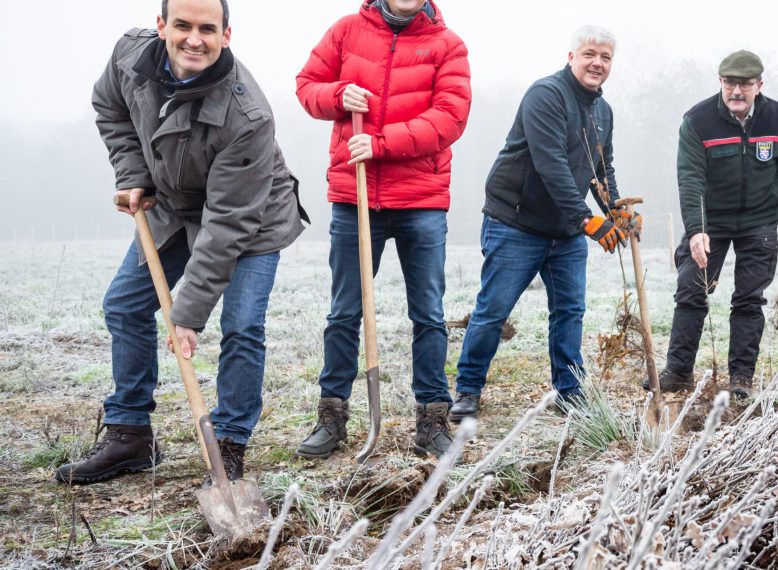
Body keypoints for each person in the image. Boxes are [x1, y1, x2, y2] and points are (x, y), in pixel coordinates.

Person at [56, 0, 308, 485]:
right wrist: (134, 174)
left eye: (207, 29)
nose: (195, 39)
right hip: (174, 202)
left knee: (240, 326)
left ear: (226, 35)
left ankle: (229, 445)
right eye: (183, 26)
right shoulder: (129, 56)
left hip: (251, 220)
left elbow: (227, 223)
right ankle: (130, 436)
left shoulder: (248, 115)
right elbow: (110, 108)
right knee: (125, 305)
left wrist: (188, 315)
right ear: (161, 27)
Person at [294, 0, 471, 458]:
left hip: (420, 200)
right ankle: (332, 417)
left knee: (428, 313)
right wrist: (336, 97)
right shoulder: (347, 30)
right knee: (343, 312)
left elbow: (449, 118)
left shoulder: (447, 45)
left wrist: (379, 144)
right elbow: (307, 86)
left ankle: (432, 418)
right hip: (354, 199)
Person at [450, 25, 632, 422]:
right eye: (589, 54)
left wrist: (614, 207)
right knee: (494, 309)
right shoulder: (545, 95)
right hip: (516, 221)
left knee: (569, 311)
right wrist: (588, 219)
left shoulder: (603, 111)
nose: (597, 63)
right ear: (571, 57)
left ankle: (569, 392)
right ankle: (468, 388)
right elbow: (553, 166)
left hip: (565, 231)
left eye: (605, 57)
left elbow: (601, 168)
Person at [650, 49, 778, 399]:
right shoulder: (698, 120)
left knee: (749, 300)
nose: (736, 91)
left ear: (759, 85)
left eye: (745, 84)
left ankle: (741, 378)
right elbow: (690, 178)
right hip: (712, 223)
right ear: (720, 82)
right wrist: (696, 229)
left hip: (760, 222)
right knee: (691, 290)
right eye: (730, 83)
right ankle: (678, 372)